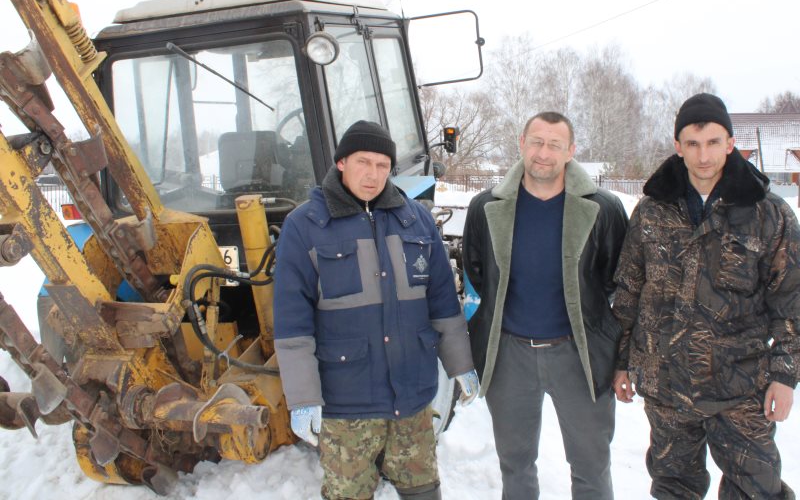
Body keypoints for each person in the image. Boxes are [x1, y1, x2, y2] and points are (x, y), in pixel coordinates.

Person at [273, 120, 478, 500]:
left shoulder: (415, 218)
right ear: (341, 163)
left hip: (413, 397)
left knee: (423, 490)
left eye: (383, 165)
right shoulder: (304, 226)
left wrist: (461, 365)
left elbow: (443, 304)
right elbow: (292, 325)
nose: (373, 174)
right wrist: (303, 398)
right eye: (363, 162)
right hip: (347, 405)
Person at [612, 93, 800, 499]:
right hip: (665, 384)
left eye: (714, 142)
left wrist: (785, 376)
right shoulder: (651, 210)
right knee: (673, 487)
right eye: (693, 144)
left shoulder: (768, 213)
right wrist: (621, 362)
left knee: (758, 490)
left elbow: (790, 302)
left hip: (740, 383)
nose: (703, 156)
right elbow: (629, 291)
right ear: (678, 146)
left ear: (730, 143)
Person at [463, 111, 628, 500]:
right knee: (515, 467)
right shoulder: (486, 206)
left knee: (591, 468)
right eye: (536, 142)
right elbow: (476, 277)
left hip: (580, 354)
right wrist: (474, 349)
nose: (543, 153)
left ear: (571, 151)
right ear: (521, 143)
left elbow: (622, 285)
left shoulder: (603, 209)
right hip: (510, 355)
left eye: (555, 144)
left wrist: (621, 356)